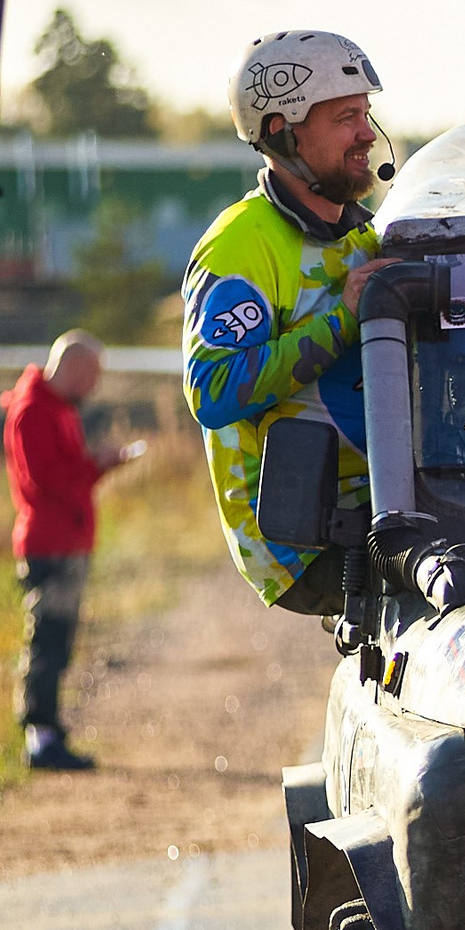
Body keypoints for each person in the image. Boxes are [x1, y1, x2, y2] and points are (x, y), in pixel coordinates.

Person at [182, 30, 400, 611]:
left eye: (366, 114)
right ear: (284, 132)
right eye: (345, 117)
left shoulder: (362, 233)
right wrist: (343, 318)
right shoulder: (240, 246)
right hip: (304, 540)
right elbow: (215, 391)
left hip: (389, 506)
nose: (366, 134)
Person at [1, 331, 140, 769]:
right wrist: (95, 463)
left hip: (68, 541)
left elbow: (68, 478)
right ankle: (39, 736)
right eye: (93, 376)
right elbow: (46, 479)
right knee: (47, 641)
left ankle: (49, 731)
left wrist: (97, 466)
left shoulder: (58, 408)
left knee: (58, 641)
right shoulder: (33, 410)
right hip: (50, 545)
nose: (95, 386)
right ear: (74, 368)